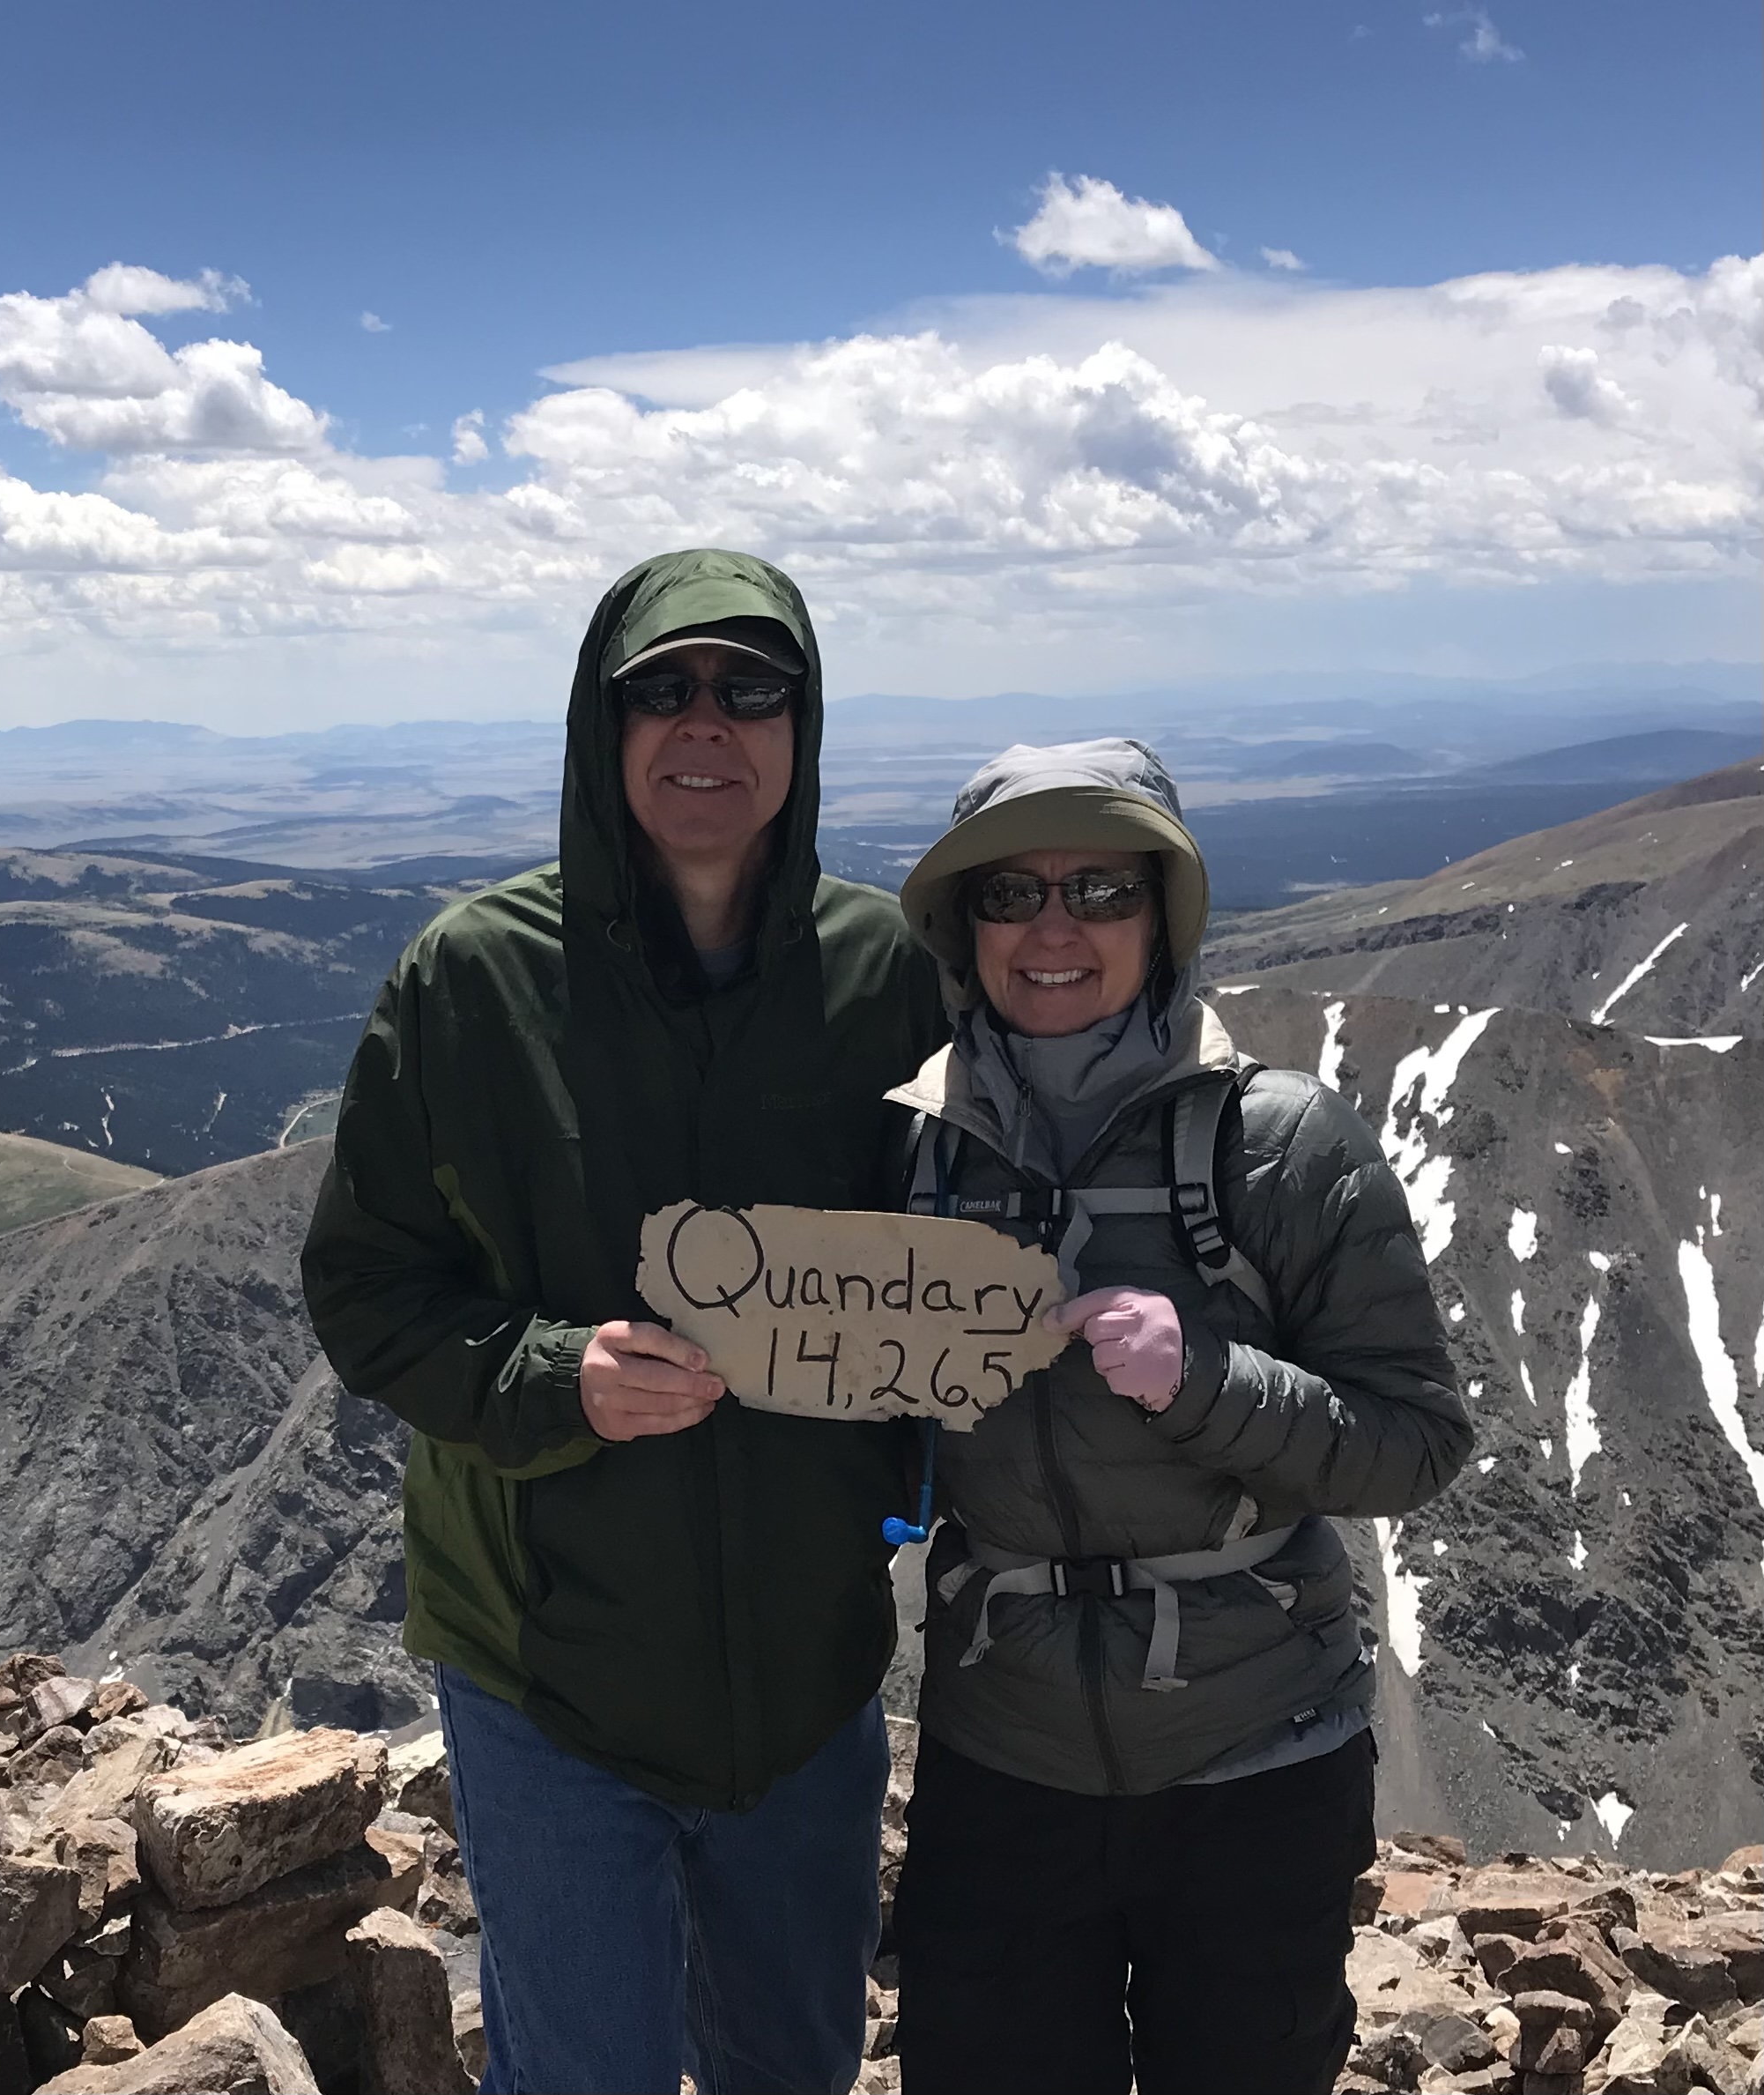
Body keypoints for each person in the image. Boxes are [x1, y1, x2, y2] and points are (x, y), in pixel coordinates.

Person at [300, 549, 945, 2095]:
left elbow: (962, 1262)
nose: (704, 720)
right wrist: (550, 1377)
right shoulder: (472, 980)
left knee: (794, 2064)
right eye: (661, 687)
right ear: (604, 722)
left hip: (805, 1671)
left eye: (750, 686)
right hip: (549, 1672)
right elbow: (366, 1288)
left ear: (800, 723)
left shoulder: (885, 975)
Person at [884, 739, 1472, 2095]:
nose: (1052, 929)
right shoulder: (911, 1151)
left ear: (1162, 917)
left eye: (1100, 888)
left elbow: (1414, 1440)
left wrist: (1201, 1379)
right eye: (1010, 892)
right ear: (963, 927)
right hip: (1002, 1752)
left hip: (1253, 1755)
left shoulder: (1279, 1142)